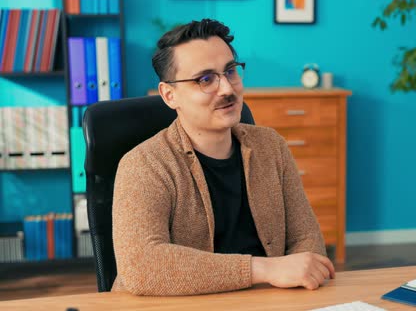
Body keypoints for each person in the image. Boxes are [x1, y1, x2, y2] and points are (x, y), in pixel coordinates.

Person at [111, 18, 335, 296]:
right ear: (170, 95)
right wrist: (265, 270)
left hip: (268, 301)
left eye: (230, 71)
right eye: (205, 79)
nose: (227, 89)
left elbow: (307, 239)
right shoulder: (144, 165)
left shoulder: (271, 146)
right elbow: (141, 266)